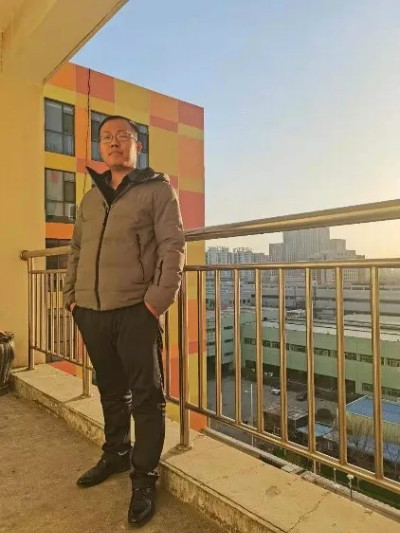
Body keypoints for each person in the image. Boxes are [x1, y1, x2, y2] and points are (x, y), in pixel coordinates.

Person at [63, 115, 185, 527]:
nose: (113, 142)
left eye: (122, 136)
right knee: (111, 390)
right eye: (106, 137)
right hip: (91, 311)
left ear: (138, 145)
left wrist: (155, 302)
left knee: (146, 398)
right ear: (100, 147)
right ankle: (116, 452)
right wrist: (72, 297)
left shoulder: (157, 189)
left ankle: (144, 477)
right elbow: (76, 249)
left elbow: (172, 245)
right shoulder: (90, 197)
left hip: (136, 310)